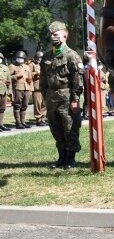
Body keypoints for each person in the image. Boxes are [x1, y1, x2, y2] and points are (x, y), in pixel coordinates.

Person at [40, 21, 84, 169]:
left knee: (70, 128)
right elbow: (43, 78)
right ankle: (61, 158)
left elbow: (77, 80)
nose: (53, 37)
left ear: (65, 35)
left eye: (56, 34)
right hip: (51, 97)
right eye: (52, 35)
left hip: (67, 97)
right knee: (56, 129)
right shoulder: (46, 56)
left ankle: (71, 159)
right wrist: (44, 95)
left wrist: (75, 99)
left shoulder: (72, 56)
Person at [9, 50, 33, 129]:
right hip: (18, 88)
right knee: (17, 106)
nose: (20, 59)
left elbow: (30, 78)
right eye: (19, 58)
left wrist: (31, 89)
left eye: (22, 58)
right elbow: (8, 78)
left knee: (24, 106)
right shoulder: (12, 66)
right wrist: (16, 76)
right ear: (16, 58)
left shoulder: (27, 66)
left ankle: (23, 122)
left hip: (26, 88)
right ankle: (18, 123)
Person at [30, 50, 46, 125]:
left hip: (44, 86)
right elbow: (28, 74)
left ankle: (43, 117)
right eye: (39, 57)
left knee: (44, 104)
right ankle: (38, 119)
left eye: (41, 58)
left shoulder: (43, 65)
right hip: (37, 87)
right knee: (38, 104)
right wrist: (36, 73)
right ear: (36, 58)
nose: (40, 59)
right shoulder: (32, 65)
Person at [0, 53, 10, 131]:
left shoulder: (5, 68)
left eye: (0, 58)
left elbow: (9, 81)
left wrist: (9, 92)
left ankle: (1, 124)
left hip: (4, 91)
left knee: (2, 109)